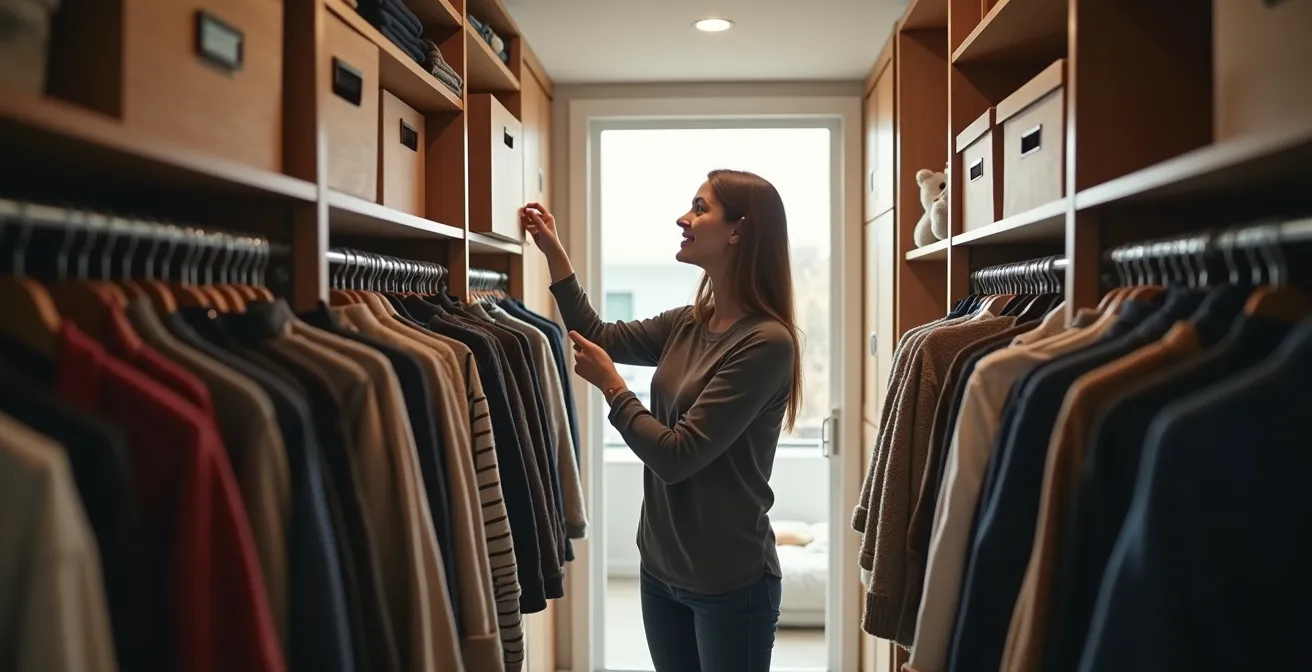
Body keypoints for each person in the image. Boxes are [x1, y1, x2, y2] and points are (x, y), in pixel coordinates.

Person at [520, 168, 804, 672]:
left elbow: (678, 456)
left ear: (738, 230)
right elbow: (597, 334)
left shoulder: (766, 343)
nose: (683, 217)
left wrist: (613, 388)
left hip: (730, 583)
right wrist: (554, 252)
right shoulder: (690, 322)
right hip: (660, 569)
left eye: (700, 207)